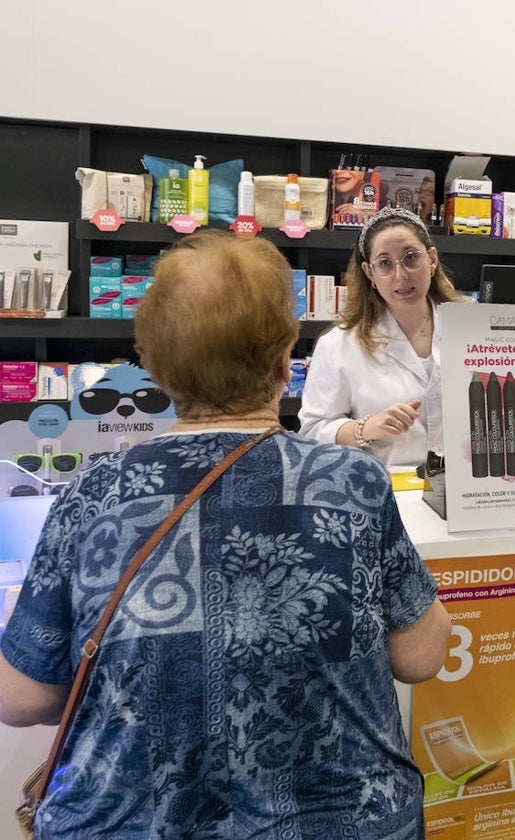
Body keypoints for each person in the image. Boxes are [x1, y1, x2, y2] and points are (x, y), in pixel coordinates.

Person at [0, 230, 451, 838]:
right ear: (284, 353)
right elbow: (421, 655)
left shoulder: (94, 493)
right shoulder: (350, 484)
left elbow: (21, 698)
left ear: (152, 358)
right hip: (341, 821)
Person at [300, 206, 469, 467]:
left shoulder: (472, 327)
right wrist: (366, 428)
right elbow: (312, 432)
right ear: (370, 274)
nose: (401, 276)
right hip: (386, 493)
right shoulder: (339, 345)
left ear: (432, 259)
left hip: (469, 491)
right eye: (385, 264)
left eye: (411, 257)